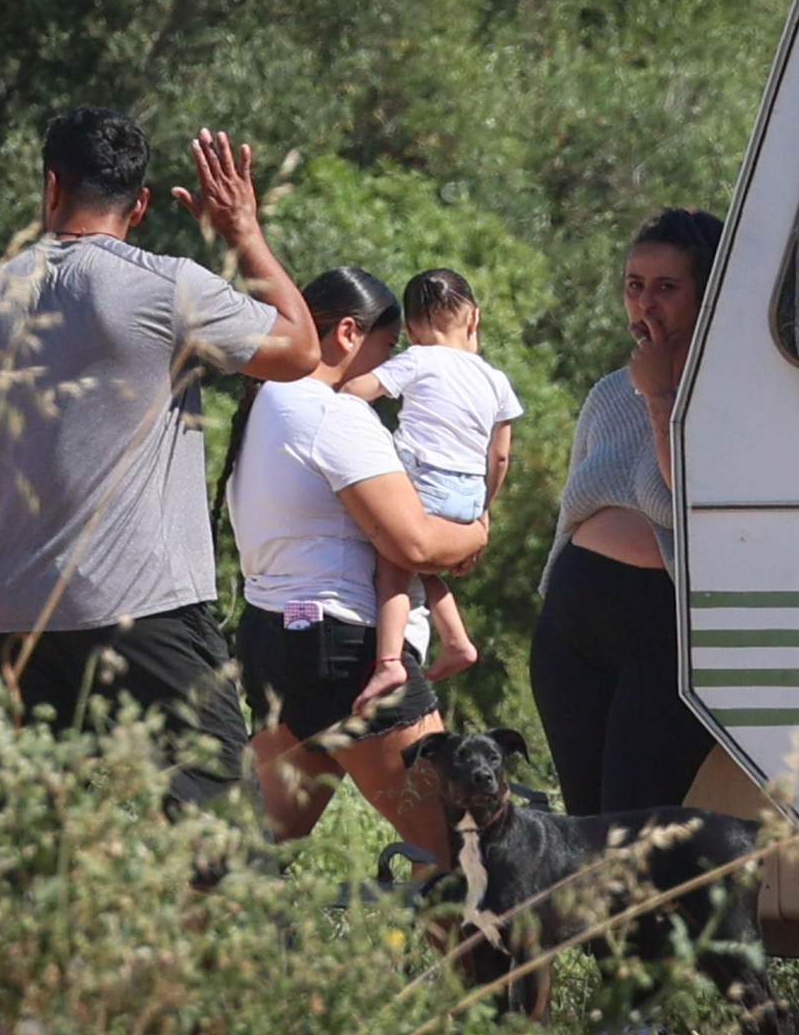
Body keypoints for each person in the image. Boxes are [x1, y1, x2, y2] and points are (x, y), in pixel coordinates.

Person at [0, 109, 318, 814]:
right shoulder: (165, 287)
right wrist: (242, 231)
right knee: (219, 842)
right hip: (146, 610)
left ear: (50, 187)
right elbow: (302, 350)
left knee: (21, 851)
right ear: (140, 204)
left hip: (14, 617)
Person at [219, 268, 488, 858]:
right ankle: (461, 953)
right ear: (347, 332)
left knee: (244, 852)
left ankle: (165, 940)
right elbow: (413, 545)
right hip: (346, 655)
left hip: (272, 640)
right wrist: (472, 536)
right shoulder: (331, 414)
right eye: (386, 347)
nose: (389, 362)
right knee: (462, 850)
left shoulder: (268, 400)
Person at [528, 207, 725, 817]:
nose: (646, 305)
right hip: (571, 631)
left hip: (664, 637)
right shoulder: (610, 392)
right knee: (582, 832)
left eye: (666, 287)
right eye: (634, 287)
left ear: (707, 292)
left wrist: (662, 398)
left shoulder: (729, 391)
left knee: (632, 828)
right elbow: (571, 513)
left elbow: (692, 504)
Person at [342, 267, 520, 679]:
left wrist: (334, 395)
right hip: (470, 492)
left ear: (409, 329)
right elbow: (500, 456)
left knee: (393, 566)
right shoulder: (496, 379)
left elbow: (357, 393)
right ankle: (456, 640)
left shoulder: (418, 359)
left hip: (423, 480)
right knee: (421, 567)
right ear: (473, 318)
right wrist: (482, 509)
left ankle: (388, 662)